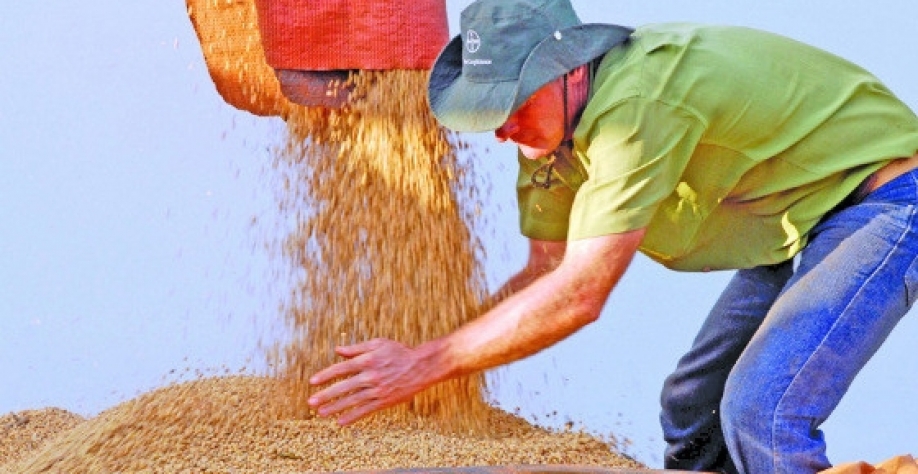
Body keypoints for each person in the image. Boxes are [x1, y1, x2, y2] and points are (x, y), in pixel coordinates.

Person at [306, 0, 918, 472]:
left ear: (570, 71)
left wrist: (424, 365)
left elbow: (579, 294)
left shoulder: (636, 106)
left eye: (511, 102)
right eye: (488, 111)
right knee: (692, 406)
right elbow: (547, 272)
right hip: (793, 220)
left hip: (884, 197)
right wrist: (431, 357)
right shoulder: (547, 140)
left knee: (763, 407)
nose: (501, 129)